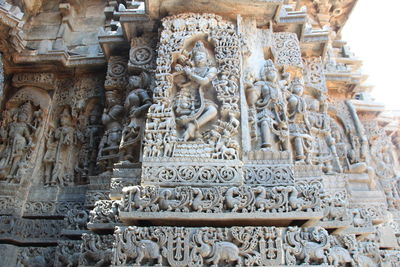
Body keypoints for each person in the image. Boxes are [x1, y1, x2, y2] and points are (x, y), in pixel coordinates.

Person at [174, 41, 218, 141]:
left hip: (202, 100)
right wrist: (179, 69)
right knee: (182, 115)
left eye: (202, 55)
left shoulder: (211, 70)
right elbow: (178, 81)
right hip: (187, 100)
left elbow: (204, 81)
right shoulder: (190, 68)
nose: (200, 57)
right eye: (198, 56)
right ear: (193, 58)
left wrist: (190, 75)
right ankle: (193, 131)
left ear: (207, 58)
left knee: (213, 110)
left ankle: (192, 127)